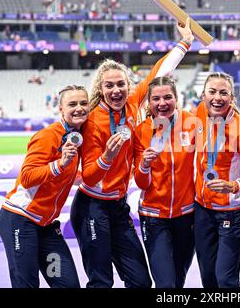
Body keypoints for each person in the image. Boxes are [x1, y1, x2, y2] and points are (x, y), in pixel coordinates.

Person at [70, 19, 194, 288]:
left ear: (128, 86)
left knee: (140, 281)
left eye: (121, 84)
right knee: (101, 280)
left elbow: (160, 72)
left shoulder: (133, 105)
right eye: (109, 86)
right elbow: (89, 179)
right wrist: (106, 158)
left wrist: (184, 43)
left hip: (118, 205)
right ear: (100, 90)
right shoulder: (91, 121)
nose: (116, 90)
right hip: (92, 205)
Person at [0, 85, 90, 288]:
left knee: (67, 284)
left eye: (84, 103)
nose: (79, 108)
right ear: (61, 110)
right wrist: (59, 164)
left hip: (46, 226)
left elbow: (69, 174)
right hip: (20, 219)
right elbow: (28, 177)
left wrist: (93, 180)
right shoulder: (48, 136)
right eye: (72, 104)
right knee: (26, 285)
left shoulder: (77, 136)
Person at [194, 72, 240, 288]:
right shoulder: (199, 115)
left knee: (225, 279)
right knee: (207, 277)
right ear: (203, 95)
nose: (217, 97)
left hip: (232, 212)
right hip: (203, 209)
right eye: (212, 92)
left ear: (232, 98)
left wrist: (233, 185)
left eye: (224, 93)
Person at [133, 76, 196, 288]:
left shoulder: (192, 123)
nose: (162, 103)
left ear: (176, 98)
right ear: (148, 103)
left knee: (178, 280)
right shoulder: (141, 131)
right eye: (156, 98)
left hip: (186, 216)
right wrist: (144, 165)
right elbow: (141, 183)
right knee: (165, 283)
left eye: (168, 97)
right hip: (153, 216)